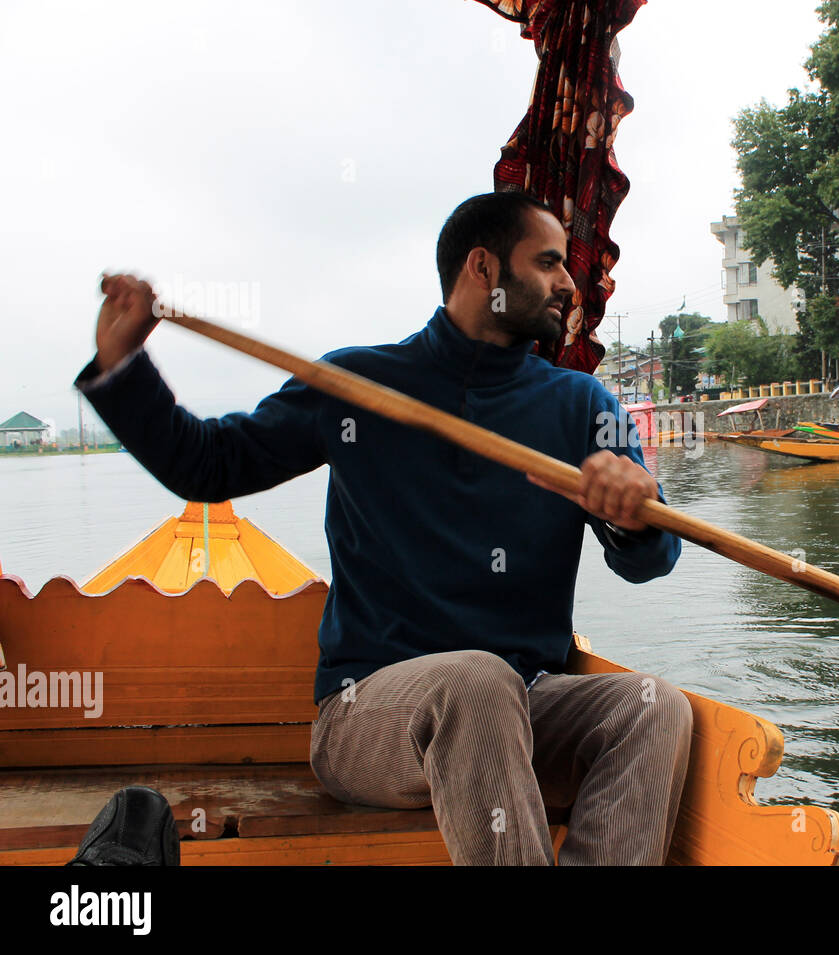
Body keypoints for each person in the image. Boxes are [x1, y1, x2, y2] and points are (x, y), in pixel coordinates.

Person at [76, 192, 693, 866]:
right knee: (475, 682)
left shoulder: (581, 405)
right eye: (548, 262)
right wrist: (123, 368)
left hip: (522, 704)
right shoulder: (359, 384)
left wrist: (632, 514)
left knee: (652, 706)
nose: (569, 283)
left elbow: (648, 558)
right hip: (366, 715)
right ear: (482, 269)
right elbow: (209, 464)